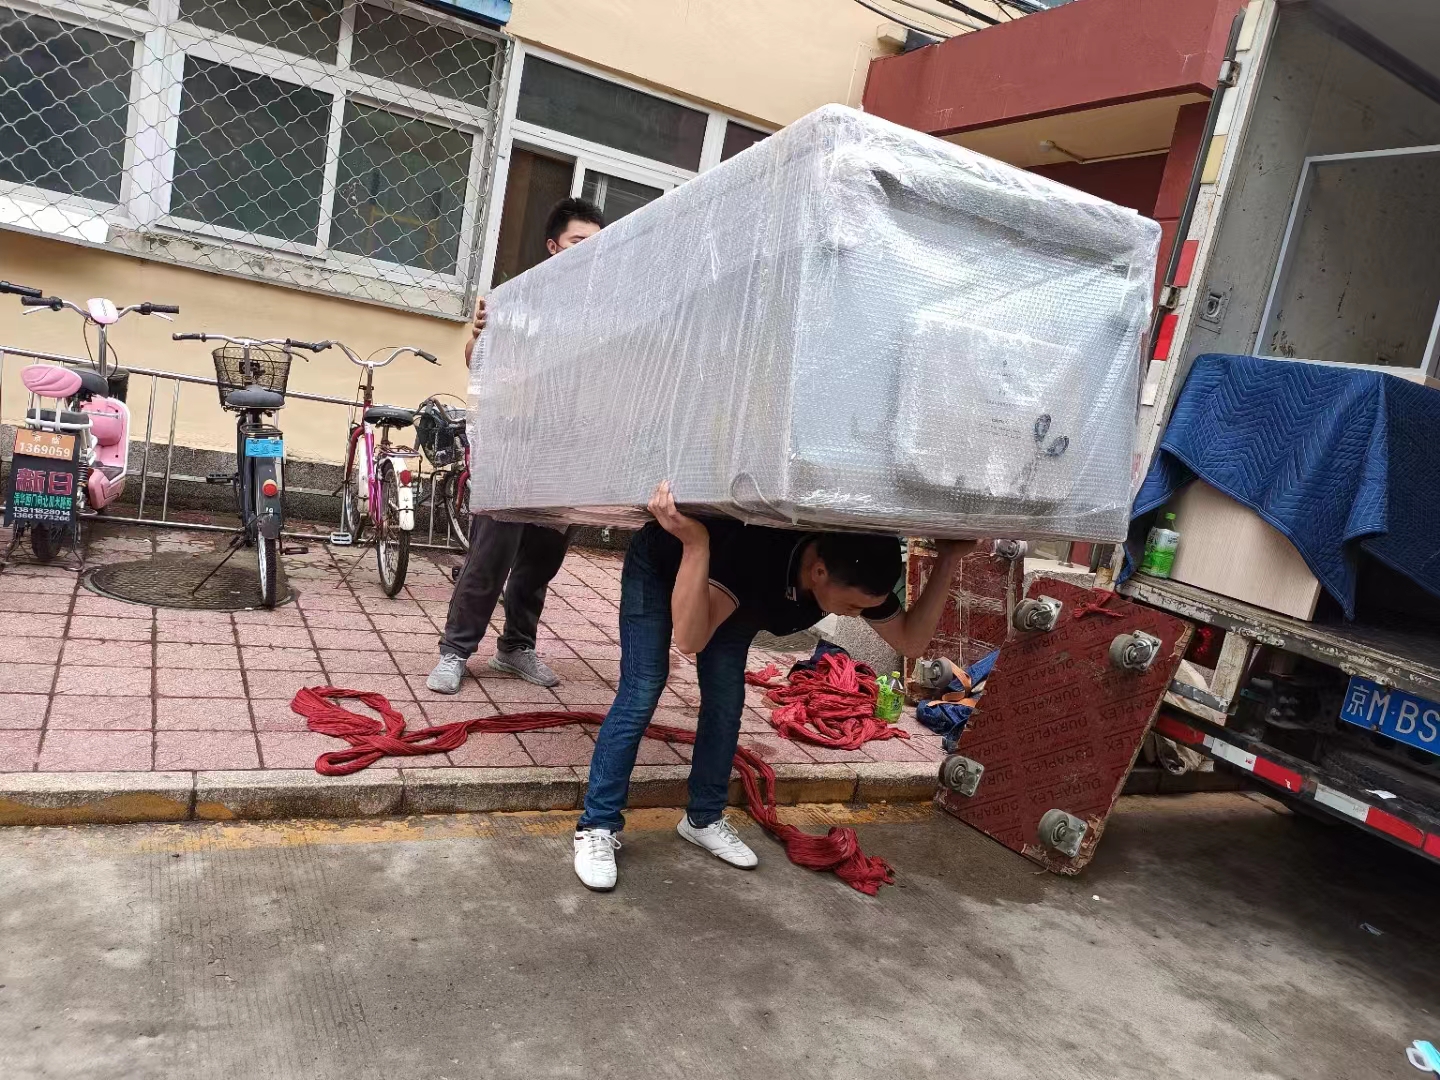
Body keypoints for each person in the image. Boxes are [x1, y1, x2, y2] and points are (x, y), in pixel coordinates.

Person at [572, 481, 976, 890]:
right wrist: (694, 544)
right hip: (668, 563)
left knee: (726, 702)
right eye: (853, 606)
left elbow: (910, 642)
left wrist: (948, 559)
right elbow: (690, 639)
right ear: (819, 572)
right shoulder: (754, 558)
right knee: (643, 688)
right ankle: (596, 826)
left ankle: (703, 819)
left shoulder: (855, 563)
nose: (856, 616)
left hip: (731, 597)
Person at [427, 197, 606, 694]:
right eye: (577, 242)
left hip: (564, 450)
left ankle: (516, 647)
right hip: (512, 446)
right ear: (553, 246)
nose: (587, 252)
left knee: (542, 560)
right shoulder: (518, 298)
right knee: (491, 554)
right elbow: (475, 360)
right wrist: (479, 334)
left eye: (596, 245)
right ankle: (455, 651)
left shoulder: (601, 310)